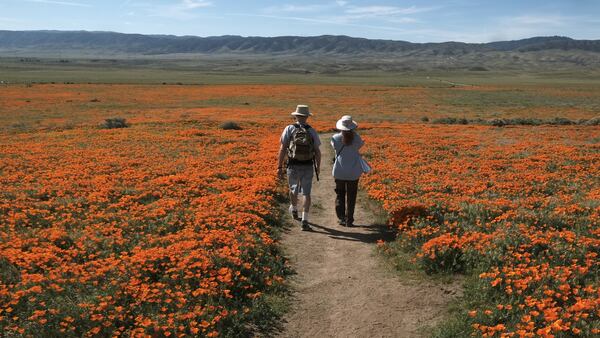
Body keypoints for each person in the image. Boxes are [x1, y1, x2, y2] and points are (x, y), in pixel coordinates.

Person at [277, 105, 321, 231]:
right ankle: (305, 219)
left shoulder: (289, 128)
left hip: (293, 164)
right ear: (307, 117)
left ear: (295, 116)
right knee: (306, 193)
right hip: (307, 165)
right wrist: (318, 167)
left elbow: (282, 148)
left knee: (293, 188)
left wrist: (279, 166)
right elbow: (317, 151)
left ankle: (294, 209)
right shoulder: (311, 131)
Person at [331, 115, 364, 227]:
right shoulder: (357, 139)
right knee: (351, 195)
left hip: (339, 171)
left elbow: (334, 148)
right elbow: (360, 145)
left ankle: (341, 218)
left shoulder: (335, 138)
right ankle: (349, 219)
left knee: (340, 194)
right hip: (353, 172)